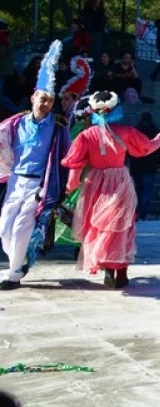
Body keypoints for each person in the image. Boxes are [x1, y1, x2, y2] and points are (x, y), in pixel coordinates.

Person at [62, 91, 160, 289]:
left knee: (100, 225)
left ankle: (108, 267)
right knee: (123, 226)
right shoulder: (125, 131)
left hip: (96, 182)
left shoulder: (86, 135)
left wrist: (70, 187)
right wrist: (158, 140)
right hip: (119, 181)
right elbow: (144, 149)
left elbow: (76, 165)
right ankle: (120, 271)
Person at [0, 41, 70, 290]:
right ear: (33, 97)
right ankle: (19, 262)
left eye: (50, 100)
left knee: (21, 228)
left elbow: (66, 153)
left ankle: (13, 274)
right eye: (43, 99)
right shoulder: (16, 123)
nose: (46, 104)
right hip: (15, 180)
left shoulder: (58, 125)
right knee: (5, 228)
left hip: (38, 183)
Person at [130, 112, 160, 222]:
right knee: (147, 191)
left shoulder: (134, 131)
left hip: (136, 165)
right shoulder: (156, 132)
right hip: (150, 166)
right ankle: (143, 215)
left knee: (136, 191)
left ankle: (135, 213)